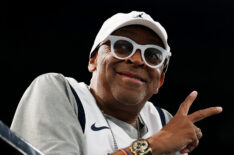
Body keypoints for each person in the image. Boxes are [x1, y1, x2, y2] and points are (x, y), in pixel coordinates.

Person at [10, 11, 222, 155]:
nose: (138, 60)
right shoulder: (61, 92)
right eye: (122, 46)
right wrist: (151, 146)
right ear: (93, 60)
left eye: (153, 55)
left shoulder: (163, 122)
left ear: (160, 81)